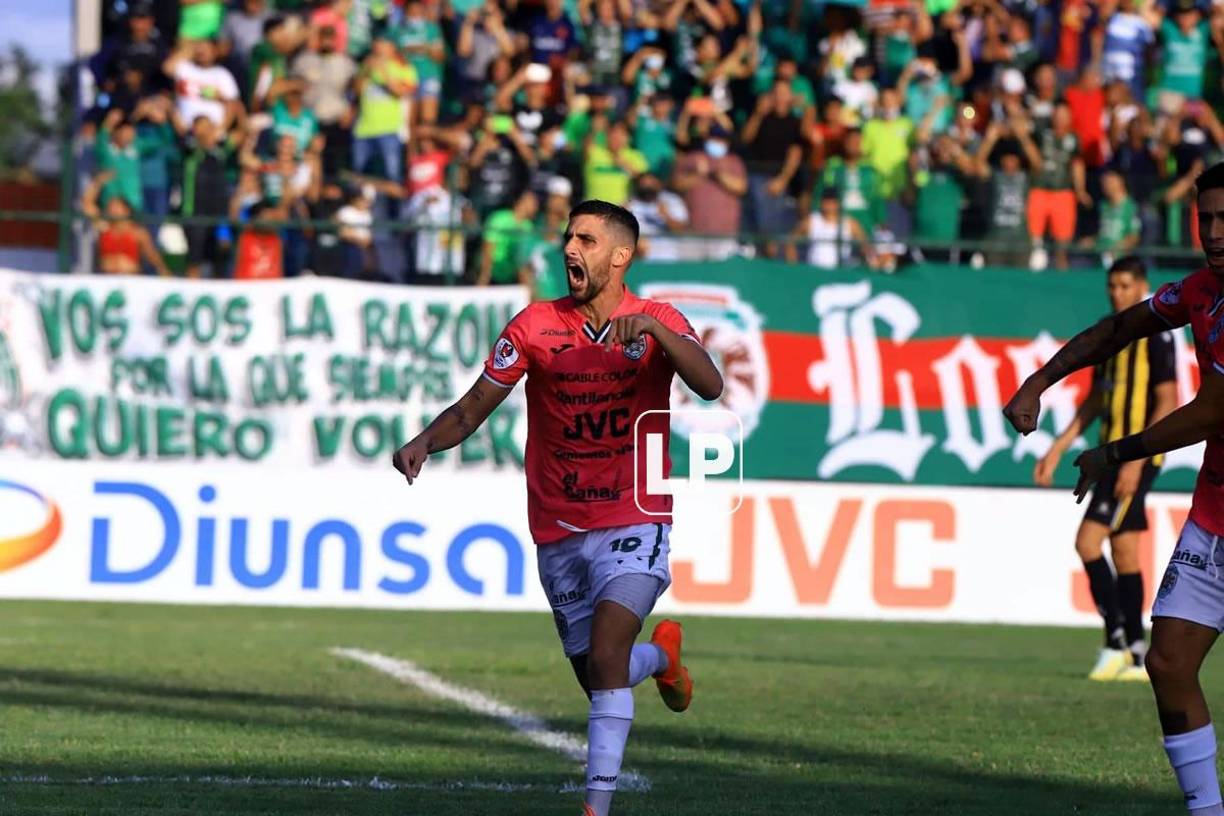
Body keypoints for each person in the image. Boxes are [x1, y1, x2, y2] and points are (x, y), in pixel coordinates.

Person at [392, 201, 722, 816]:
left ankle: (595, 807)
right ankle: (662, 659)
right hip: (558, 523)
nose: (571, 248)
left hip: (634, 512)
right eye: (569, 237)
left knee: (603, 658)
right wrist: (424, 442)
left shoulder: (657, 319)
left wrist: (655, 335)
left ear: (620, 256)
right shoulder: (534, 327)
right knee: (601, 675)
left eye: (587, 240)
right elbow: (470, 410)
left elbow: (710, 384)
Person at [1004, 160, 1224, 816]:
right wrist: (1039, 380)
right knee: (1168, 662)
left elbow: (1215, 407)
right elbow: (1119, 329)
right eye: (1205, 218)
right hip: (1214, 519)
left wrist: (1117, 452)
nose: (1214, 231)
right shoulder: (1198, 292)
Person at [1032, 256, 1178, 681]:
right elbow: (1096, 399)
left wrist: (1134, 458)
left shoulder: (1157, 336)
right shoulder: (1112, 334)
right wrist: (1058, 447)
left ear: (1142, 286)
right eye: (1112, 285)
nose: (1117, 293)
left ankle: (1115, 641)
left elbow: (1167, 400)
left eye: (1125, 285)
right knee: (1126, 551)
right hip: (1111, 455)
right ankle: (1135, 652)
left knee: (1088, 542)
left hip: (1132, 458)